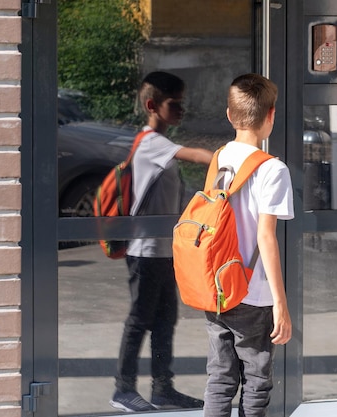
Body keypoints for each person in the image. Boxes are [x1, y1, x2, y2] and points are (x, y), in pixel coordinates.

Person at [110, 71, 213, 412]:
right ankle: (123, 390)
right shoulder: (152, 143)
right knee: (140, 319)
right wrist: (237, 157)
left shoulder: (160, 145)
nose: (182, 109)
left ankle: (162, 389)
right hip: (145, 251)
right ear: (153, 105)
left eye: (183, 103)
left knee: (165, 319)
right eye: (175, 104)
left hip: (163, 251)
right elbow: (198, 156)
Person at [203, 73, 294, 417]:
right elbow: (265, 237)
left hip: (215, 287)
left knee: (220, 378)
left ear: (229, 115)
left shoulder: (220, 157)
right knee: (256, 381)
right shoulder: (272, 170)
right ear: (271, 115)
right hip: (252, 294)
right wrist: (280, 304)